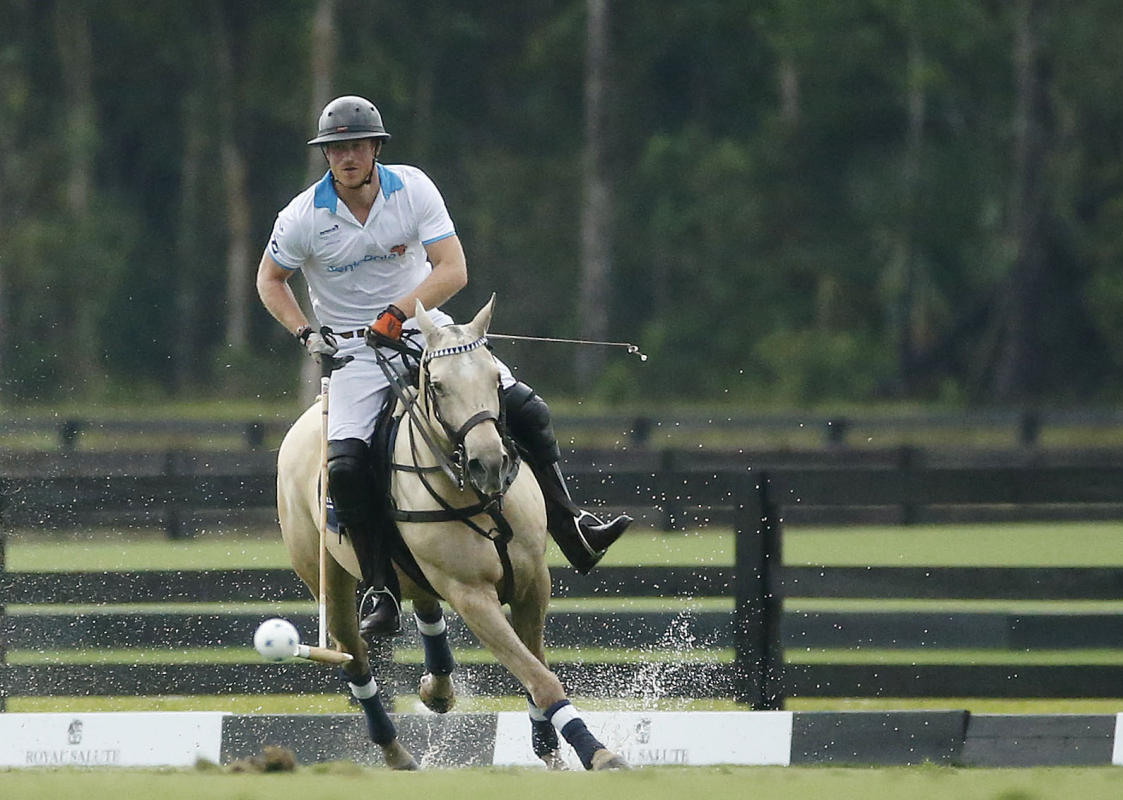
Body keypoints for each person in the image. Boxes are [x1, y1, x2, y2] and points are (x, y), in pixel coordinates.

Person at [256, 95, 630, 638]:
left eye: (357, 146)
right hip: (355, 357)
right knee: (345, 468)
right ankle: (381, 587)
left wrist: (399, 312)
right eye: (336, 149)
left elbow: (452, 268)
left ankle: (572, 525)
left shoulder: (412, 188)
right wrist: (306, 333)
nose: (347, 157)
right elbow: (270, 280)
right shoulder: (302, 217)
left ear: (376, 148)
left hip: (429, 333)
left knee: (527, 409)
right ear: (326, 156)